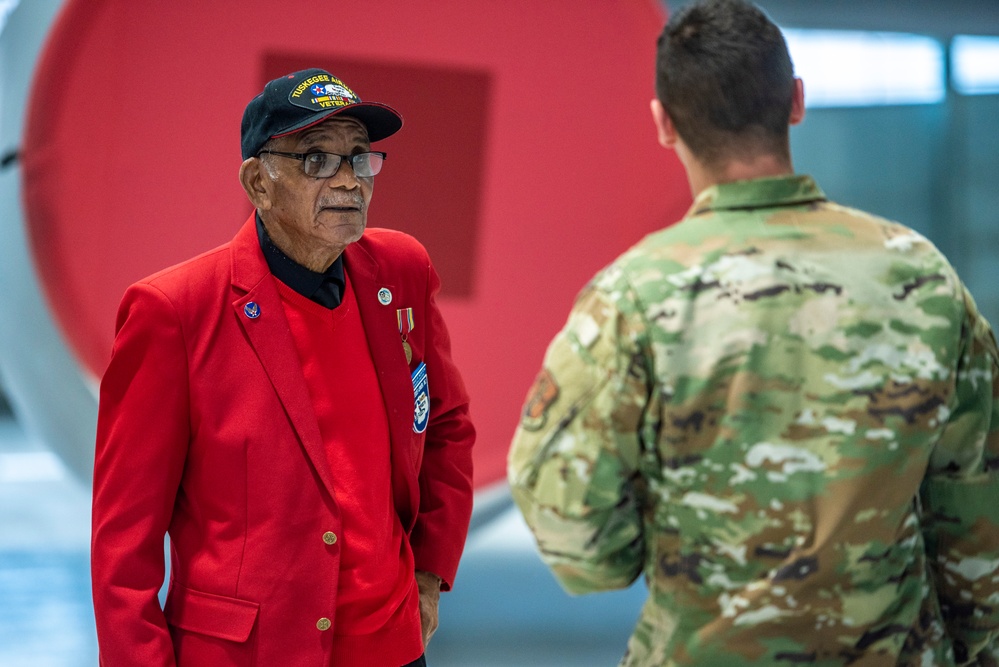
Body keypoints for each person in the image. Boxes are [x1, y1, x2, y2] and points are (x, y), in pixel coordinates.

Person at [507, 1, 999, 664]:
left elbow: (572, 531)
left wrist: (634, 550)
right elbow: (978, 508)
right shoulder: (921, 277)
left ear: (662, 122)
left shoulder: (631, 297)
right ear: (795, 101)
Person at [91, 68, 475, 667]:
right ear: (258, 183)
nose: (349, 179)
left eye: (359, 156)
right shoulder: (174, 311)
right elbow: (124, 542)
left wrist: (429, 572)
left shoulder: (401, 272)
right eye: (317, 159)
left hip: (392, 648)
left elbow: (446, 424)